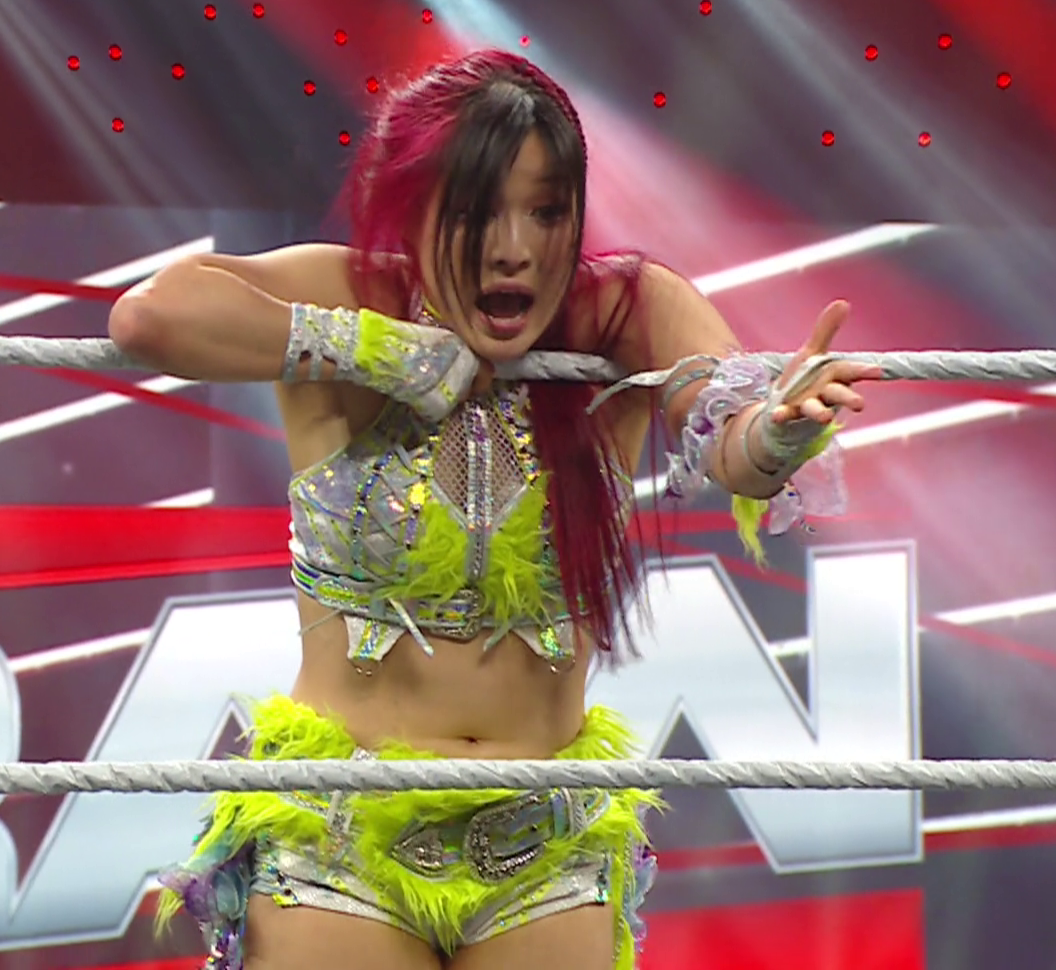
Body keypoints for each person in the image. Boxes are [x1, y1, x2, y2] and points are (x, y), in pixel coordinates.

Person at [109, 48, 877, 970]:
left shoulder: (622, 310)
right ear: (412, 207)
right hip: (338, 833)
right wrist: (381, 352)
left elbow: (729, 434)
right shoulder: (351, 290)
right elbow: (148, 318)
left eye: (546, 211)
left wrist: (779, 436)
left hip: (542, 844)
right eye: (478, 212)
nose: (515, 248)